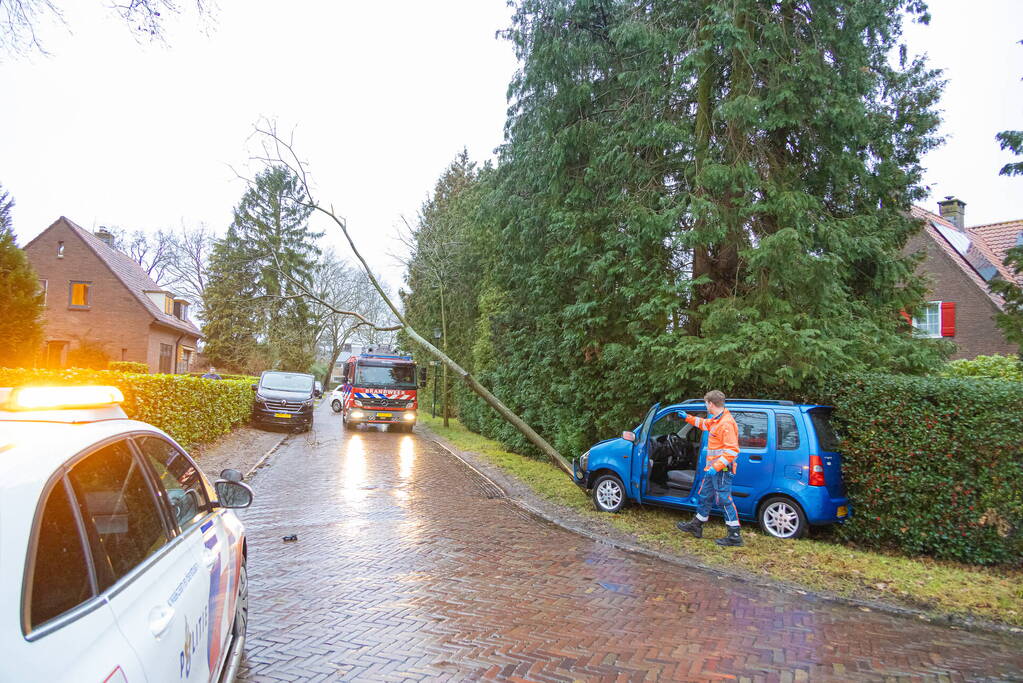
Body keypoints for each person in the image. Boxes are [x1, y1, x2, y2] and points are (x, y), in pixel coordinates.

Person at [675, 390, 743, 546]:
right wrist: (687, 418)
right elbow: (704, 424)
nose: (706, 406)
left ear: (711, 404)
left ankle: (734, 536)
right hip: (713, 469)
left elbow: (732, 451)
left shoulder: (726, 423)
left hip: (721, 470)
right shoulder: (716, 419)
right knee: (705, 495)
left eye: (706, 403)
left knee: (724, 500)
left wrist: (717, 467)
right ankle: (696, 525)